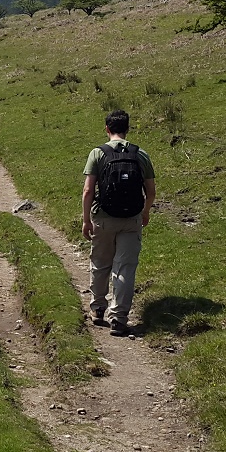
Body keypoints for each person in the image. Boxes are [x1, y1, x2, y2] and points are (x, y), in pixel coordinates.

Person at [81, 109, 156, 338]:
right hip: (131, 219)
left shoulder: (97, 153)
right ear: (128, 129)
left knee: (101, 262)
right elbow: (151, 191)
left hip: (103, 217)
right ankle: (119, 317)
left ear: (107, 129)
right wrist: (144, 212)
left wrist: (86, 220)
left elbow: (87, 191)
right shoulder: (140, 154)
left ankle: (98, 308)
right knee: (125, 267)